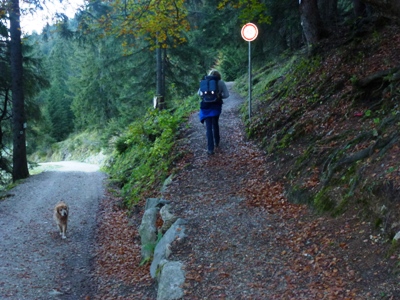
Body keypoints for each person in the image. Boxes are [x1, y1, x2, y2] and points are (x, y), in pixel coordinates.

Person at [198, 69, 230, 155]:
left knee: (208, 127)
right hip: (216, 105)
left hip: (205, 106)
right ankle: (217, 141)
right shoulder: (220, 82)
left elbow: (199, 94)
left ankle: (210, 149)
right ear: (218, 75)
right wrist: (219, 96)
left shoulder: (204, 81)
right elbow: (227, 95)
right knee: (215, 123)